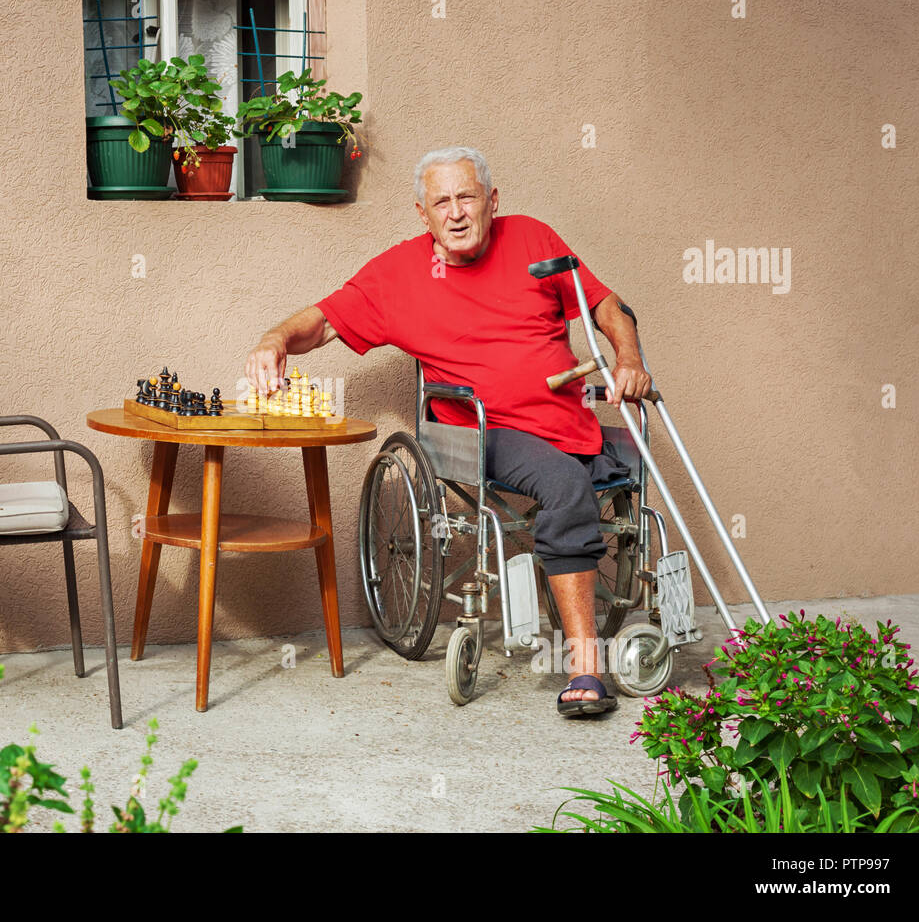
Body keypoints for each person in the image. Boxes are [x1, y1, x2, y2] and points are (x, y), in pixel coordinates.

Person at [243, 146, 653, 716]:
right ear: (422, 213)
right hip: (482, 431)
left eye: (467, 197)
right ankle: (585, 665)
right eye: (442, 202)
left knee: (636, 458)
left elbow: (608, 306)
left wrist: (628, 358)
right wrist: (274, 340)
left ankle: (615, 595)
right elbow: (323, 321)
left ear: (492, 201)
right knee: (563, 484)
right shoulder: (398, 275)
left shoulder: (533, 239)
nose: (456, 213)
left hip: (566, 419)